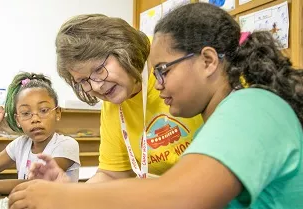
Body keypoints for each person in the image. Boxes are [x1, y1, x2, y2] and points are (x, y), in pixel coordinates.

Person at [8, 3, 303, 209]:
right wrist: (72, 192)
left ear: (208, 61)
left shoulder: (249, 107)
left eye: (163, 70)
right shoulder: (226, 115)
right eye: (83, 82)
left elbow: (181, 196)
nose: (159, 85)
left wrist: (65, 200)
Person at [29, 13, 203, 183]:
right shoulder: (113, 100)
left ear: (124, 50)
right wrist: (71, 194)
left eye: (98, 69)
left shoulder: (170, 61)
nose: (96, 86)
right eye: (83, 80)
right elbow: (112, 174)